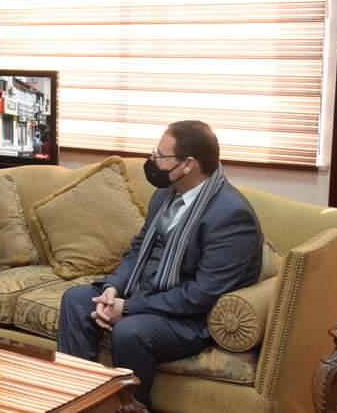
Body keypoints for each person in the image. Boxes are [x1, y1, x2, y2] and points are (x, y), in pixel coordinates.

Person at [55, 120, 263, 407]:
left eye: (161, 156)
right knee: (76, 301)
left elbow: (202, 295)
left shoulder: (230, 215)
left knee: (130, 331)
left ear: (188, 164)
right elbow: (139, 248)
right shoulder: (166, 194)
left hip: (190, 318)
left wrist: (128, 307)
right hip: (147, 293)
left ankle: (129, 408)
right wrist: (114, 288)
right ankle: (78, 399)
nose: (153, 161)